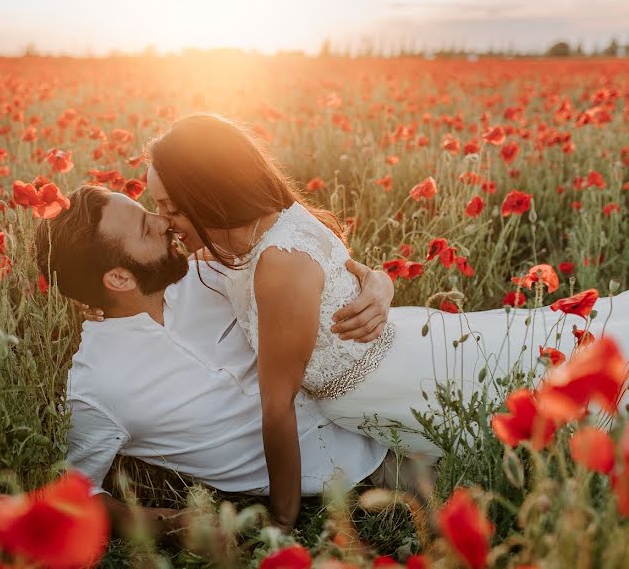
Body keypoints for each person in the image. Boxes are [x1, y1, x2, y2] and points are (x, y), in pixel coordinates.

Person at [141, 112, 629, 529]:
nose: (163, 220)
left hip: (405, 384)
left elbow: (277, 407)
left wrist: (283, 517)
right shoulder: (256, 230)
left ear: (211, 192)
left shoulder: (279, 264)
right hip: (401, 355)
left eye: (169, 206)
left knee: (550, 394)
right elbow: (339, 271)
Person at [35, 186, 419, 538]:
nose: (162, 221)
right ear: (119, 278)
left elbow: (317, 264)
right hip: (350, 483)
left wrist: (378, 284)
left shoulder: (212, 271)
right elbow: (74, 493)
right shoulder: (99, 385)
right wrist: (173, 525)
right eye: (145, 228)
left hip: (389, 401)